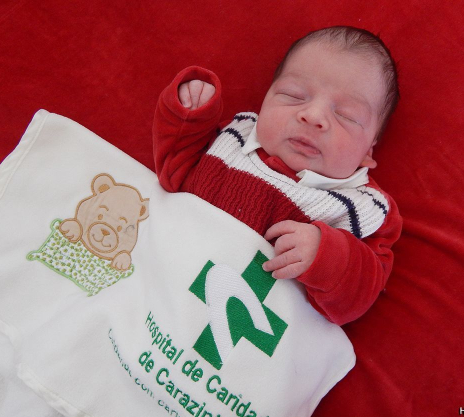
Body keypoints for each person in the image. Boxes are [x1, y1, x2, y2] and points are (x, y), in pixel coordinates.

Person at [153, 26, 402, 325]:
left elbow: (358, 297)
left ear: (368, 151)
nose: (313, 116)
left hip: (229, 331)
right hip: (157, 285)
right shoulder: (232, 142)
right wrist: (188, 116)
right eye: (293, 95)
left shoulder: (360, 209)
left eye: (346, 115)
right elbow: (173, 174)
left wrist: (326, 256)